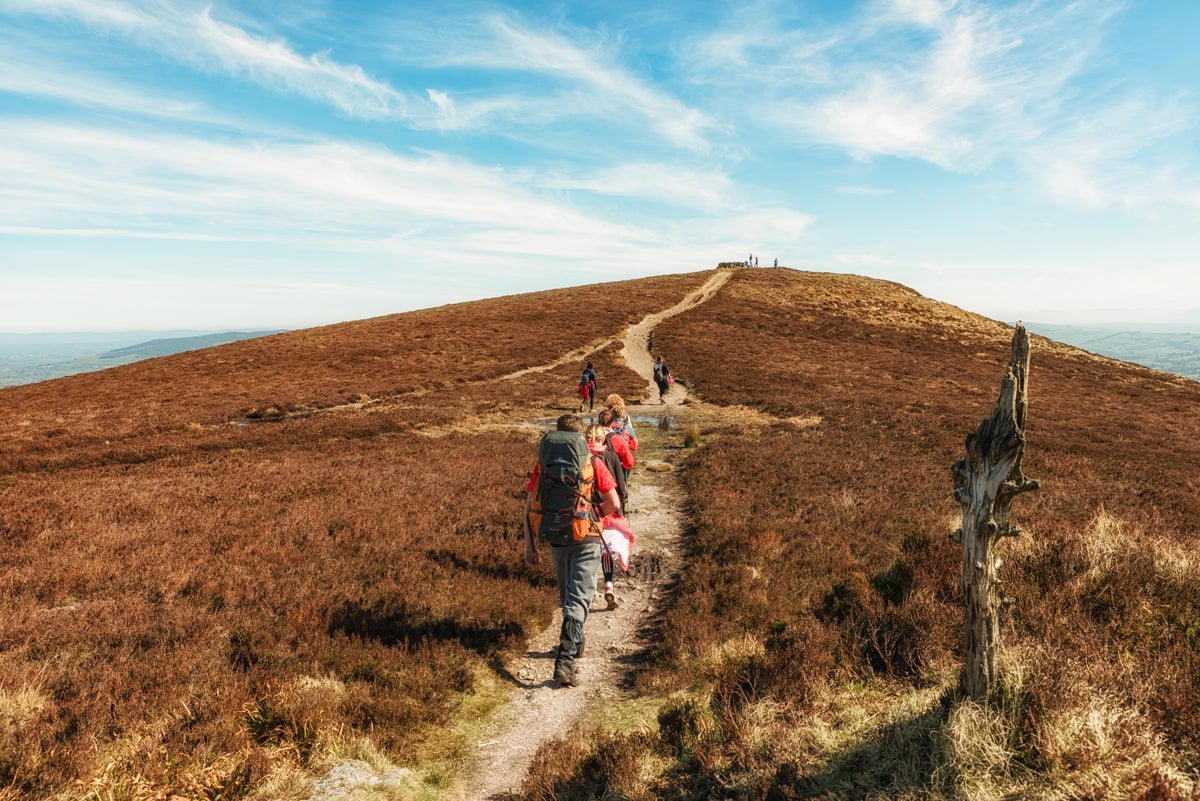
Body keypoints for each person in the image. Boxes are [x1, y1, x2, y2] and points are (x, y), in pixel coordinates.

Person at [524, 414, 620, 686]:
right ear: (579, 438)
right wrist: (594, 514)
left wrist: (529, 546)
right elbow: (614, 502)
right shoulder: (593, 463)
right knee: (578, 599)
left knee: (568, 596)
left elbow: (529, 506)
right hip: (586, 537)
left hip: (555, 537)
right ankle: (564, 662)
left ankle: (575, 644)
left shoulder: (543, 466)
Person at [585, 424, 632, 610]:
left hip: (588, 508)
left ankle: (586, 590)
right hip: (609, 508)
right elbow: (621, 485)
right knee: (607, 550)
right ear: (603, 439)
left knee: (590, 549)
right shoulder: (611, 456)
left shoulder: (584, 458)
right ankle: (609, 585)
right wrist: (622, 505)